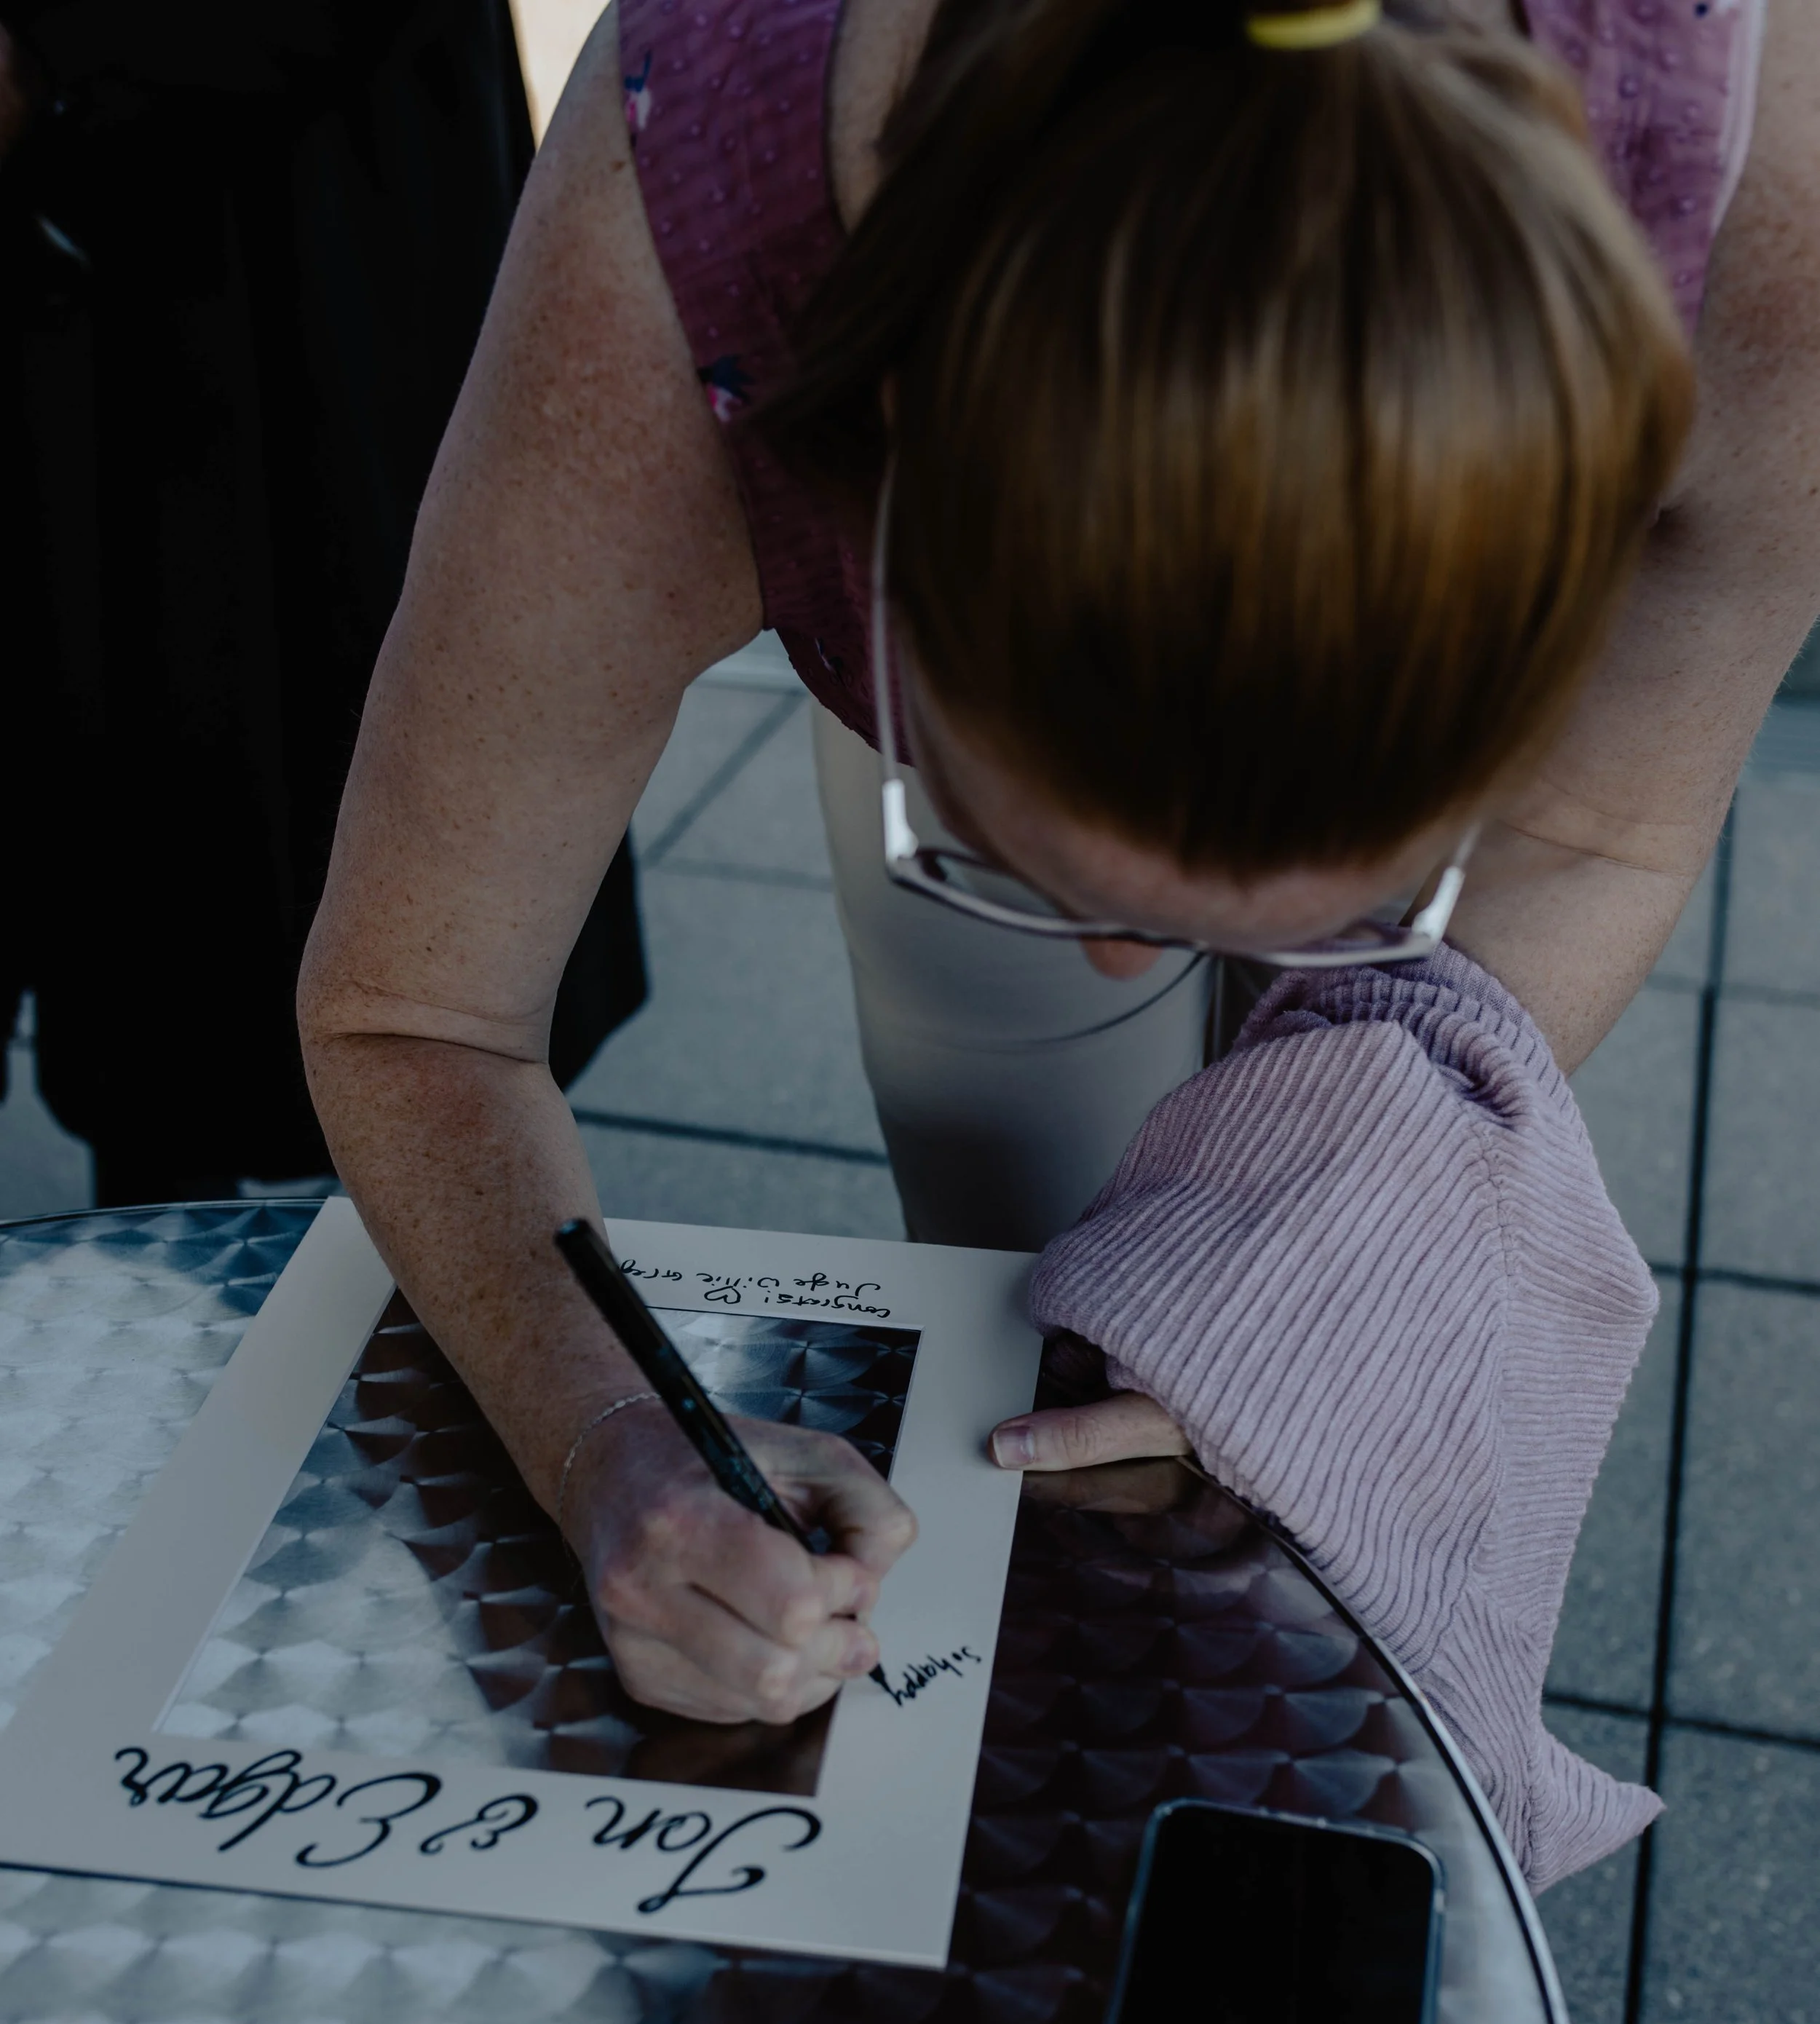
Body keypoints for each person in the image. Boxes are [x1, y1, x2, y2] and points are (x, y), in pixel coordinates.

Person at [298, 0, 1817, 1757]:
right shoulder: (658, 272)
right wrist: (598, 1432)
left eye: (1348, 881)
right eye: (1018, 855)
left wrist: (1296, 1268)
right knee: (1027, 1287)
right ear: (875, 510)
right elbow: (414, 1008)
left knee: (1270, 1359)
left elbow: (1590, 836)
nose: (1122, 967)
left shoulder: (1771, 248)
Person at [0, 0, 643, 1204]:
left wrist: (52, 54)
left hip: (286, 229)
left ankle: (405, 1232)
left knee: (291, 762)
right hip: (87, 234)